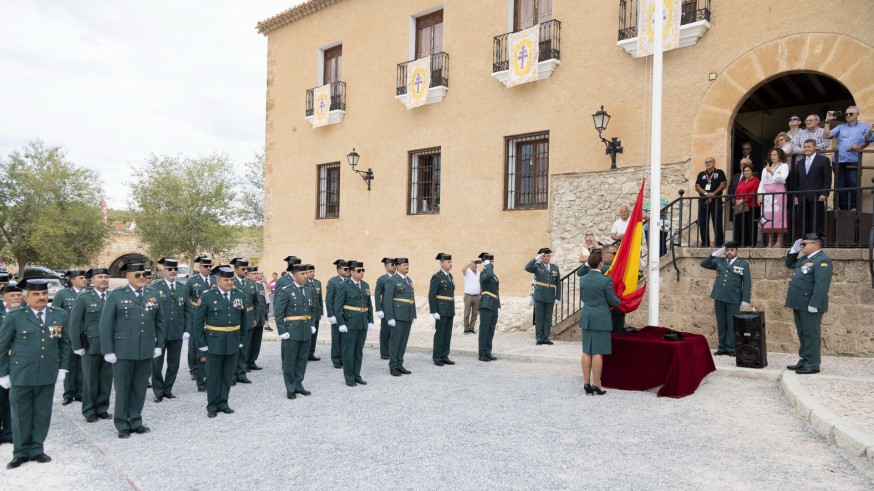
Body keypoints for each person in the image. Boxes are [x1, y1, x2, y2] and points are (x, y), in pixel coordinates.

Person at [0, 279, 70, 469]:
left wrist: (62, 368)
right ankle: (20, 452)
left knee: (42, 413)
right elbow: (2, 346)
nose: (41, 298)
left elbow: (64, 344)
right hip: (21, 374)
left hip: (47, 373)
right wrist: (3, 374)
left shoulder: (59, 314)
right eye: (36, 294)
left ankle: (37, 448)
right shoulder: (15, 316)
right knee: (20, 414)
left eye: (44, 294)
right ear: (25, 297)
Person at [99, 262, 164, 439]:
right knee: (122, 388)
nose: (142, 278)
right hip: (123, 350)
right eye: (137, 275)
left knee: (139, 387)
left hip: (145, 349)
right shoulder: (116, 295)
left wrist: (159, 345)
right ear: (128, 276)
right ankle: (121, 423)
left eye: (144, 274)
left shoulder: (153, 294)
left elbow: (160, 322)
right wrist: (108, 350)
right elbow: (105, 325)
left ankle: (136, 420)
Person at [193, 266, 250, 417]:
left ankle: (223, 403)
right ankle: (212, 406)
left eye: (231, 280)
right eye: (226, 280)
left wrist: (242, 339)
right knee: (212, 376)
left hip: (232, 340)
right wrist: (201, 344)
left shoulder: (239, 295)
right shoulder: (207, 296)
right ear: (218, 280)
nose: (230, 283)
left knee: (227, 375)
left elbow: (245, 320)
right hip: (213, 342)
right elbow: (198, 323)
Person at [69, 268, 113, 423]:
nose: (104, 280)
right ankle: (89, 410)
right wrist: (77, 345)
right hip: (91, 345)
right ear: (92, 280)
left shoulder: (113, 296)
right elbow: (74, 323)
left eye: (106, 277)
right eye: (100, 277)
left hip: (109, 346)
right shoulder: (84, 298)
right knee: (90, 379)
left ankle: (102, 408)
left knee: (106, 378)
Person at [784, 233, 832, 375]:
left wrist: (815, 304)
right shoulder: (805, 258)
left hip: (810, 304)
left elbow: (821, 285)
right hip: (799, 303)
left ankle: (813, 363)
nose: (802, 246)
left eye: (804, 244)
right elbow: (789, 264)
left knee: (811, 334)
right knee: (803, 333)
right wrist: (793, 251)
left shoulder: (823, 261)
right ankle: (805, 359)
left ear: (815, 244)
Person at [578, 251, 620, 396]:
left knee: (586, 351)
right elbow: (613, 301)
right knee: (597, 352)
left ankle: (586, 382)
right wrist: (620, 301)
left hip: (587, 316)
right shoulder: (605, 280)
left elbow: (583, 298)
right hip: (601, 317)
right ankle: (596, 383)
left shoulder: (582, 279)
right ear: (601, 264)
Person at [699, 242, 752, 356]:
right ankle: (722, 347)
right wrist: (714, 254)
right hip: (719, 296)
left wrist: (745, 300)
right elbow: (703, 264)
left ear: (736, 251)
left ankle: (731, 348)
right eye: (727, 250)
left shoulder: (743, 264)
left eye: (732, 250)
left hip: (733, 298)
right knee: (721, 323)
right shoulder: (719, 262)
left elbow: (747, 283)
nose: (729, 252)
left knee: (732, 324)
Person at [150, 258, 190, 403]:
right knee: (156, 364)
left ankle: (168, 389)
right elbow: (150, 311)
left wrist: (187, 329)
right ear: (163, 271)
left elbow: (187, 310)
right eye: (169, 269)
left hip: (176, 331)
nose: (173, 272)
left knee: (174, 363)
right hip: (159, 332)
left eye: (175, 269)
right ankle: (158, 390)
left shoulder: (183, 288)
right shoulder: (155, 287)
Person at [274, 264, 317, 398]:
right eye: (302, 274)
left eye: (306, 273)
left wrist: (312, 323)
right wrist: (282, 330)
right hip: (292, 330)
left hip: (305, 329)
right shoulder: (287, 290)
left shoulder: (309, 290)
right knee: (290, 360)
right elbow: (278, 312)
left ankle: (299, 384)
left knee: (302, 359)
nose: (305, 276)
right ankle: (290, 387)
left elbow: (312, 309)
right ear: (294, 275)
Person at [335, 261, 374, 386]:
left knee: (358, 351)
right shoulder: (344, 286)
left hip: (362, 322)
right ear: (351, 272)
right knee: (349, 351)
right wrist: (340, 323)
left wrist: (370, 320)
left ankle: (357, 375)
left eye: (363, 270)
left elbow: (369, 305)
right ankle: (349, 377)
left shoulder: (365, 285)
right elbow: (338, 307)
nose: (362, 273)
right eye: (359, 270)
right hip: (350, 323)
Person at [824, 107, 870, 211]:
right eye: (846, 114)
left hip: (853, 159)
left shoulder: (864, 127)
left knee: (853, 183)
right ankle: (843, 209)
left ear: (857, 114)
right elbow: (826, 135)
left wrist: (859, 147)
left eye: (851, 114)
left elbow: (868, 140)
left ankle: (854, 208)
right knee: (840, 185)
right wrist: (827, 120)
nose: (848, 116)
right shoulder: (840, 127)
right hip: (839, 160)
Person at [54, 270, 87, 406]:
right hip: (68, 336)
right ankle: (69, 393)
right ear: (72, 280)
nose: (84, 280)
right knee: (70, 365)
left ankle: (80, 392)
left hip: (84, 336)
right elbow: (55, 315)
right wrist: (56, 336)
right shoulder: (63, 294)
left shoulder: (88, 294)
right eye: (81, 278)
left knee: (82, 366)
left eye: (85, 278)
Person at [0, 285, 25, 446]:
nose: (16, 298)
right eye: (12, 295)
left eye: (18, 295)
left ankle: (9, 432)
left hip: (17, 363)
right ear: (3, 297)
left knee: (13, 399)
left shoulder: (25, 316)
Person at [384, 258, 415, 376]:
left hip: (407, 315)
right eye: (404, 264)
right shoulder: (392, 280)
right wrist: (390, 317)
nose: (407, 266)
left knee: (403, 342)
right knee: (395, 342)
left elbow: (411, 298)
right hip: (397, 316)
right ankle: (393, 366)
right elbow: (387, 300)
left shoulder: (408, 280)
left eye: (408, 264)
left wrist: (414, 315)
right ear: (397, 266)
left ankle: (399, 364)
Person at [186, 256, 213, 391]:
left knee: (208, 343)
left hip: (211, 317)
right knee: (195, 343)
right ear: (199, 267)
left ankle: (207, 367)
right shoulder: (192, 281)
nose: (208, 268)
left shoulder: (214, 280)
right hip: (196, 315)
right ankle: (194, 369)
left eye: (210, 266)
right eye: (205, 266)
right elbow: (186, 298)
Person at [794, 139, 832, 238]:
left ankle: (815, 240)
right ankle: (804, 239)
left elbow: (827, 178)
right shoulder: (800, 163)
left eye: (809, 147)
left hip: (817, 195)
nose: (807, 149)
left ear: (815, 147)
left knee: (816, 218)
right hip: (802, 195)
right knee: (802, 218)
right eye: (805, 147)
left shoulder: (823, 160)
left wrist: (824, 193)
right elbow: (796, 181)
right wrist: (796, 196)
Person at [525, 248, 560, 345]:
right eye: (544, 256)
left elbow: (558, 283)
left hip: (550, 295)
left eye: (548, 255)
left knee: (548, 317)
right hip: (539, 295)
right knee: (539, 317)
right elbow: (527, 267)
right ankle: (539, 337)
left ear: (550, 256)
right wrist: (536, 258)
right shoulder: (537, 266)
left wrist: (558, 297)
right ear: (541, 257)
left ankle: (546, 337)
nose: (546, 258)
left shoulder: (554, 268)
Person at [229, 258, 256, 385]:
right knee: (234, 348)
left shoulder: (250, 283)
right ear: (236, 269)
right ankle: (232, 374)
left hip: (248, 319)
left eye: (247, 269)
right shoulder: (230, 282)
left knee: (244, 348)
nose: (246, 271)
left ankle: (241, 373)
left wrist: (255, 317)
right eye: (243, 269)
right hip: (235, 320)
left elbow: (256, 301)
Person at [758, 147, 790, 248]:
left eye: (775, 155)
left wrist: (772, 172)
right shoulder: (765, 169)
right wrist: (759, 194)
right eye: (771, 155)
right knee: (767, 217)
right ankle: (770, 241)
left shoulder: (784, 166)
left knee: (779, 216)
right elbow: (762, 182)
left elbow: (782, 179)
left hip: (778, 193)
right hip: (767, 194)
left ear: (780, 156)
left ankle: (779, 241)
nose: (773, 157)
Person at [428, 253, 456, 366]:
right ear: (442, 263)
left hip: (449, 309)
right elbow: (432, 295)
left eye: (451, 262)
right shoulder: (437, 277)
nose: (450, 264)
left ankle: (445, 355)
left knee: (447, 333)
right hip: (441, 309)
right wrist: (434, 311)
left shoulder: (450, 276)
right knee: (440, 334)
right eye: (448, 262)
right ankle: (437, 357)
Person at [695, 157, 727, 247]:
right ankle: (705, 243)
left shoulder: (719, 172)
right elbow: (697, 186)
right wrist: (706, 194)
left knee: (717, 221)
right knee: (702, 222)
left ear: (714, 162)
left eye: (710, 161)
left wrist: (713, 194)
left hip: (716, 199)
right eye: (706, 162)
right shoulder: (701, 174)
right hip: (703, 200)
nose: (708, 163)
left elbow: (723, 184)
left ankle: (718, 243)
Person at [326, 259, 351, 369]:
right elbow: (329, 300)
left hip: (348, 314)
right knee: (337, 337)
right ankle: (336, 358)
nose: (347, 271)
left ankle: (343, 357)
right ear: (338, 270)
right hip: (337, 313)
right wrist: (331, 315)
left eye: (348, 269)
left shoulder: (350, 280)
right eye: (345, 269)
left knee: (346, 337)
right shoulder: (333, 282)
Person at [477, 252, 500, 362]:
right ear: (485, 263)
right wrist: (487, 265)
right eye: (489, 261)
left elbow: (496, 291)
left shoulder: (493, 275)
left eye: (492, 261)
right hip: (486, 304)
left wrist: (498, 307)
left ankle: (488, 352)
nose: (491, 263)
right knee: (484, 330)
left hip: (494, 304)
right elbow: (489, 275)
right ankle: (482, 354)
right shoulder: (484, 273)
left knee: (491, 330)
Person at [245, 266, 268, 372]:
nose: (256, 275)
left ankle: (252, 361)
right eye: (254, 273)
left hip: (260, 318)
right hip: (250, 318)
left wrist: (265, 318)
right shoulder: (246, 285)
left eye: (257, 273)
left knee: (256, 341)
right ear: (248, 274)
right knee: (248, 342)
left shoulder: (260, 286)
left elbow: (262, 303)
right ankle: (244, 362)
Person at [733, 163, 761, 247]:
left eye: (748, 170)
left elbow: (754, 192)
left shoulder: (756, 181)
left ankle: (751, 243)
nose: (746, 172)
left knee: (751, 225)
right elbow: (737, 192)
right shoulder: (741, 182)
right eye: (745, 171)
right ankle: (743, 243)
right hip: (741, 206)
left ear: (752, 171)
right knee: (742, 224)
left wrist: (743, 199)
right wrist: (737, 200)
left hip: (751, 206)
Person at [374, 258, 396, 359]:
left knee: (395, 331)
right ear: (386, 267)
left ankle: (393, 351)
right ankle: (384, 353)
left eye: (395, 264)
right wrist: (378, 309)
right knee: (385, 331)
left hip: (396, 308)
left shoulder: (398, 278)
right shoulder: (382, 279)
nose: (394, 266)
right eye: (392, 265)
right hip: (386, 309)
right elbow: (377, 295)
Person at [305, 264, 324, 362]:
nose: (312, 273)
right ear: (306, 273)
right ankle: (304, 354)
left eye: (313, 271)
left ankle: (311, 353)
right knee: (307, 334)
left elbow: (320, 298)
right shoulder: (304, 283)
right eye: (310, 272)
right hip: (308, 313)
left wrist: (321, 311)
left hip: (316, 312)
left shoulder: (317, 283)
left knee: (314, 334)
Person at [461, 259, 481, 335]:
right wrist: (469, 263)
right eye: (473, 264)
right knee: (467, 313)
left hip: (477, 296)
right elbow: (462, 269)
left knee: (475, 313)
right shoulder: (467, 272)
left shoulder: (479, 273)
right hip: (468, 296)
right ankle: (466, 329)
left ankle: (471, 328)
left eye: (475, 264)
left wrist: (481, 294)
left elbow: (480, 284)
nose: (474, 265)